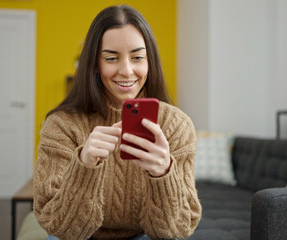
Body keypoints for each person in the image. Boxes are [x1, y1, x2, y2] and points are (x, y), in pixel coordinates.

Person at [33, 4, 202, 240]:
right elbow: (60, 228)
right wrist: (84, 166)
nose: (126, 70)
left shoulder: (176, 126)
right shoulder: (61, 125)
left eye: (137, 57)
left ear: (149, 62)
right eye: (111, 58)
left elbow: (175, 232)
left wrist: (163, 175)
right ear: (94, 64)